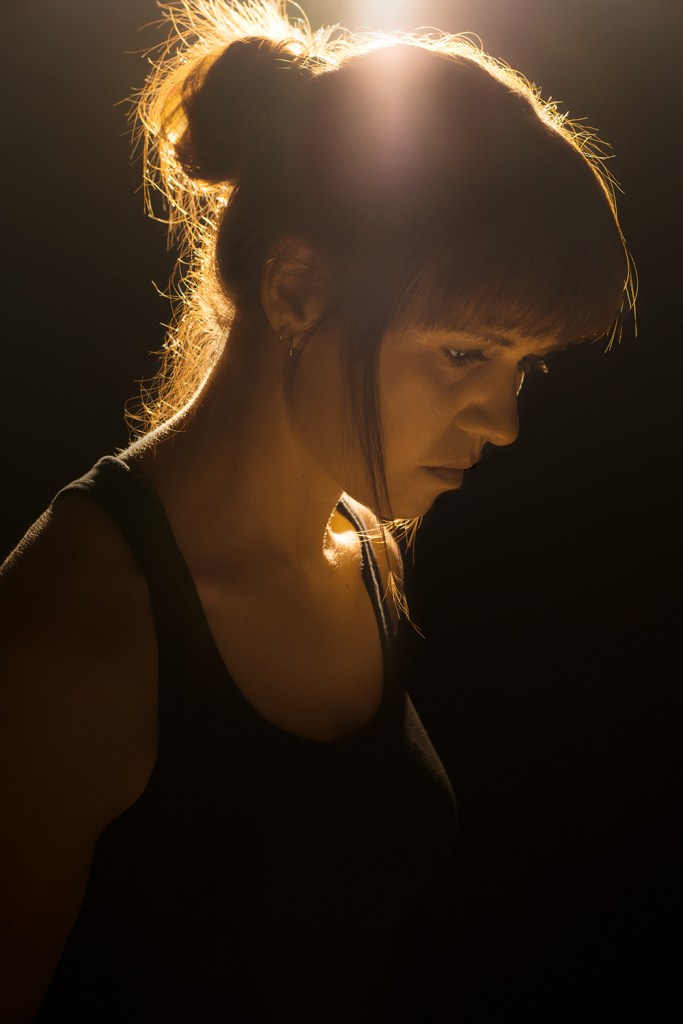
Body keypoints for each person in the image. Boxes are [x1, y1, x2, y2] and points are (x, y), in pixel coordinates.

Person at [0, 1, 634, 1020]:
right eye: (463, 353)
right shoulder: (71, 643)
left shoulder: (367, 552)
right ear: (295, 288)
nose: (504, 422)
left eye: (524, 366)